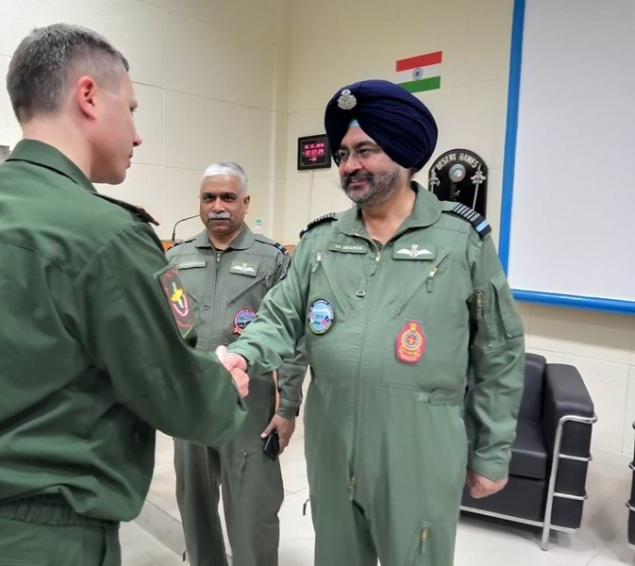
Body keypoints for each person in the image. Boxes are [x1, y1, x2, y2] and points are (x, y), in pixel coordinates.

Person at [0, 23, 249, 566]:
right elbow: (179, 397)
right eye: (132, 109)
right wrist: (225, 387)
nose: (138, 136)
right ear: (89, 96)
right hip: (53, 542)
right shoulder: (108, 237)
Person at [221, 79, 525, 566]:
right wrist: (242, 354)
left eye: (365, 150)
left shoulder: (460, 240)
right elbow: (279, 315)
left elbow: (499, 351)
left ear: (404, 155)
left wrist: (492, 451)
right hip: (332, 443)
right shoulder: (320, 242)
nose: (349, 166)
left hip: (420, 447)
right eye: (342, 154)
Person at [167, 162, 307, 566]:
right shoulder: (176, 258)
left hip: (250, 405)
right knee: (194, 503)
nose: (218, 206)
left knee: (252, 509)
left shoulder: (272, 259)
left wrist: (287, 408)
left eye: (228, 197)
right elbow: (167, 331)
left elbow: (294, 338)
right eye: (208, 198)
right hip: (193, 403)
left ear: (246, 202)